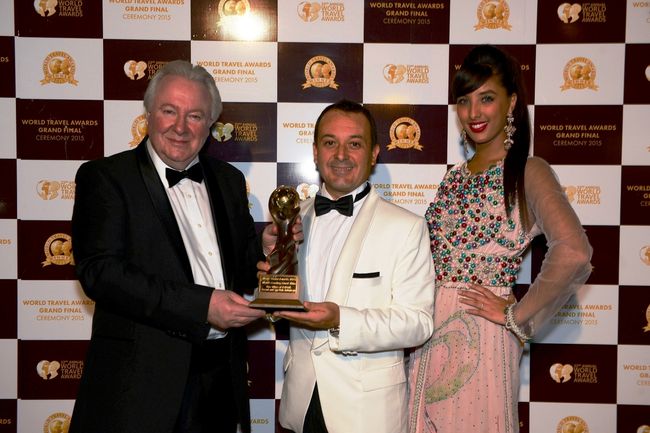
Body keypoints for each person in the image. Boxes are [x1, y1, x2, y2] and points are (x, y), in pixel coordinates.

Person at [69, 60, 284, 433]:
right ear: (149, 114)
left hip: (219, 382)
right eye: (169, 111)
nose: (181, 127)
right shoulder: (105, 177)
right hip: (139, 388)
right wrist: (202, 306)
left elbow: (237, 272)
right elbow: (100, 273)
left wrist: (263, 252)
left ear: (210, 124)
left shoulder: (229, 180)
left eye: (195, 116)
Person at [407, 44, 593, 433]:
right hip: (429, 335)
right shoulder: (453, 176)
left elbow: (574, 251)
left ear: (511, 103)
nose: (473, 112)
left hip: (484, 340)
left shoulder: (528, 171)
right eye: (464, 100)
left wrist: (516, 315)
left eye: (486, 98)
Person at [261, 99, 436, 433]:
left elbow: (418, 323)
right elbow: (279, 304)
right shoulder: (293, 219)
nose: (341, 155)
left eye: (354, 144)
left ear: (373, 154)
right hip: (301, 403)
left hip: (366, 413)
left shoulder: (406, 227)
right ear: (315, 152)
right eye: (330, 143)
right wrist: (272, 267)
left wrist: (341, 320)